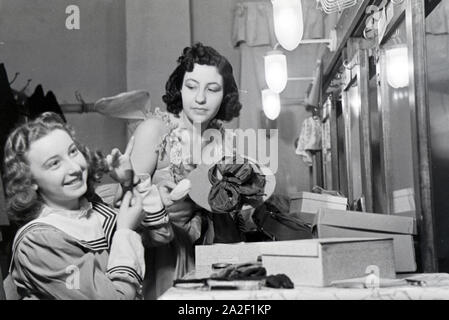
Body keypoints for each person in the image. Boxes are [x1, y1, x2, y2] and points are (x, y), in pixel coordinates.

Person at [2, 112, 164, 299]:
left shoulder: (89, 207)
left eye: (72, 151)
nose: (75, 168)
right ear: (29, 180)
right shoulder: (39, 242)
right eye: (54, 163)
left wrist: (129, 182)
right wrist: (124, 232)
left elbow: (159, 235)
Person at [130, 42, 243, 299]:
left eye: (212, 89)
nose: (200, 98)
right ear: (179, 88)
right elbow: (125, 208)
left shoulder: (224, 141)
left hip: (206, 260)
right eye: (191, 87)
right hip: (159, 261)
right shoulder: (155, 131)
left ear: (225, 95)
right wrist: (158, 200)